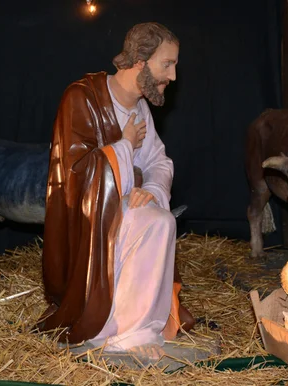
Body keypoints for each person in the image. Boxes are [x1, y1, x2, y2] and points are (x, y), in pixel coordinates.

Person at [38, 22, 195, 362]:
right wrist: (123, 147)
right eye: (167, 64)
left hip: (122, 206)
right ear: (140, 61)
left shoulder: (141, 108)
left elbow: (158, 161)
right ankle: (123, 331)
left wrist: (151, 188)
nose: (173, 76)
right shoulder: (81, 97)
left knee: (161, 220)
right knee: (154, 225)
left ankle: (139, 325)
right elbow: (75, 172)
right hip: (88, 220)